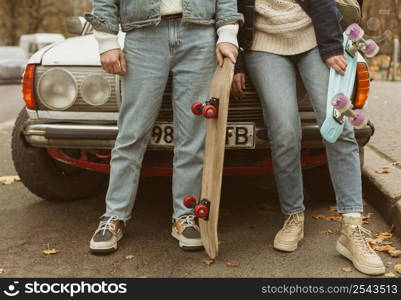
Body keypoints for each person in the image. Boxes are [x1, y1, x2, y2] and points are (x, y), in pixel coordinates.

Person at [231, 0, 385, 275]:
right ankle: (293, 215)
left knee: (340, 125)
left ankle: (351, 227)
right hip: (263, 46)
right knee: (284, 131)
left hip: (313, 36)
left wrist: (329, 46)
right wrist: (237, 64)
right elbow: (232, 11)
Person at [84, 0, 243, 254]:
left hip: (199, 33)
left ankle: (185, 215)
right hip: (143, 36)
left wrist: (227, 34)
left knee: (193, 134)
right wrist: (107, 42)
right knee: (132, 133)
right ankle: (114, 216)